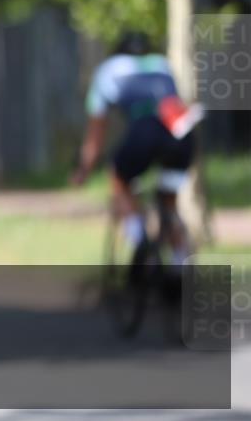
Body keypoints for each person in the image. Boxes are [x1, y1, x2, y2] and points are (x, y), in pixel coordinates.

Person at [72, 31, 201, 264]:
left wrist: (84, 168)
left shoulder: (108, 70)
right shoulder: (162, 64)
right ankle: (181, 262)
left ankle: (138, 236)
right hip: (182, 133)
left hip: (145, 132)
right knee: (169, 199)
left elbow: (96, 134)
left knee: (119, 176)